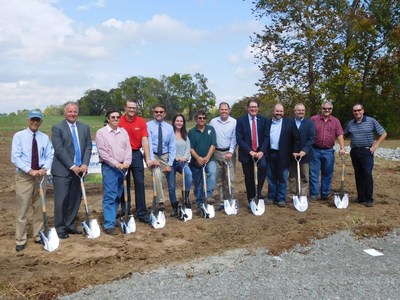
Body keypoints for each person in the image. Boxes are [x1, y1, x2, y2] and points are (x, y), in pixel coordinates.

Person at [11, 110, 53, 251]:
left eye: (38, 120)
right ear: (28, 120)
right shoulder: (19, 136)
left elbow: (49, 155)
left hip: (41, 176)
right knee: (22, 209)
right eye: (33, 119)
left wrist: (44, 168)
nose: (35, 122)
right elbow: (15, 157)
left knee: (39, 207)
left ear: (41, 121)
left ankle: (38, 235)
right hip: (24, 176)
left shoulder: (44, 138)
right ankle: (20, 239)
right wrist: (30, 170)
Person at [51, 102, 92, 239]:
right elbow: (59, 149)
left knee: (75, 199)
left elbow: (88, 147)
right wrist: (72, 166)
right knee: (61, 200)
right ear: (65, 113)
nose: (73, 114)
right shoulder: (57, 128)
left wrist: (85, 164)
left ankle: (70, 225)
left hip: (80, 171)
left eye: (75, 111)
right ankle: (60, 227)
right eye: (70, 112)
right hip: (63, 171)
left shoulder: (84, 127)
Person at [95, 109, 131, 235]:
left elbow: (128, 149)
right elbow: (103, 153)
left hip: (123, 167)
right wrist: (116, 164)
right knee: (110, 195)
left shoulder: (123, 132)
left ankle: (112, 218)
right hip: (110, 168)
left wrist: (126, 162)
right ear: (108, 119)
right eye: (113, 117)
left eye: (117, 117)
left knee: (118, 195)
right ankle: (108, 224)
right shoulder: (101, 133)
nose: (116, 119)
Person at [344, 103, 387, 207]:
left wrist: (375, 146)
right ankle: (361, 197)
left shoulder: (371, 121)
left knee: (367, 173)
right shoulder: (351, 123)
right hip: (354, 152)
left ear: (363, 110)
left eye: (359, 110)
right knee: (358, 174)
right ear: (353, 112)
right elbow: (343, 134)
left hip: (367, 151)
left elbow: (383, 133)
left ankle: (369, 199)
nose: (357, 112)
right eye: (355, 111)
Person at [118, 100, 151, 223]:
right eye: (129, 107)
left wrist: (147, 158)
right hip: (122, 155)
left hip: (136, 154)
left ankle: (142, 213)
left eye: (134, 108)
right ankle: (126, 210)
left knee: (140, 184)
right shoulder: (119, 120)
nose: (132, 110)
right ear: (125, 108)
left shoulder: (141, 122)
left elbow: (145, 140)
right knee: (124, 184)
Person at [309, 100, 346, 200]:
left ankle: (325, 193)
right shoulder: (313, 119)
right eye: (325, 108)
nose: (327, 110)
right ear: (321, 109)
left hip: (328, 151)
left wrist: (342, 148)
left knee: (327, 173)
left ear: (332, 110)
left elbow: (340, 134)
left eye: (329, 109)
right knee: (313, 173)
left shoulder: (335, 121)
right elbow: (307, 132)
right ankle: (314, 194)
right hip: (314, 150)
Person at [266, 103, 300, 207]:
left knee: (282, 178)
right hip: (270, 153)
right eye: (277, 111)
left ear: (283, 112)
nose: (279, 113)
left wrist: (295, 150)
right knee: (271, 177)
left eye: (281, 111)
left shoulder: (289, 123)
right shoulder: (267, 123)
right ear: (273, 111)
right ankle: (271, 197)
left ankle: (281, 198)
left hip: (284, 155)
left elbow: (297, 138)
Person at [236, 99, 268, 206]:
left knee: (263, 167)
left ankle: (258, 192)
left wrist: (262, 151)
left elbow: (267, 137)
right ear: (248, 108)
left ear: (258, 108)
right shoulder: (241, 121)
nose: (253, 109)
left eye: (255, 107)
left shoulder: (264, 120)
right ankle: (251, 198)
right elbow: (239, 138)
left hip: (260, 152)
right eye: (251, 107)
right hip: (247, 153)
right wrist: (250, 151)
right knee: (249, 176)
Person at [147, 104, 176, 216]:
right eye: (156, 112)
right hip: (153, 155)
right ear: (153, 113)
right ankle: (161, 201)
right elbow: (148, 143)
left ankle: (155, 211)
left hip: (165, 156)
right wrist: (152, 159)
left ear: (164, 113)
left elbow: (172, 146)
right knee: (157, 174)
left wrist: (170, 163)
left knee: (159, 182)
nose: (158, 114)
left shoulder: (169, 128)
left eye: (161, 112)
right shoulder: (148, 126)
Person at [210, 102, 237, 211]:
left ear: (229, 110)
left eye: (226, 109)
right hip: (217, 153)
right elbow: (211, 136)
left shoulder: (234, 122)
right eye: (222, 109)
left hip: (229, 153)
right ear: (219, 110)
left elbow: (234, 138)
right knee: (220, 180)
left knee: (230, 179)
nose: (224, 111)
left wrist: (230, 152)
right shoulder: (213, 122)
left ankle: (230, 200)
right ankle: (222, 202)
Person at [188, 110, 217, 210]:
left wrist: (207, 158)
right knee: (198, 183)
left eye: (204, 118)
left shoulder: (211, 129)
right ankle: (200, 201)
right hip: (196, 161)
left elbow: (213, 144)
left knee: (212, 173)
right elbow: (190, 148)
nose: (202, 120)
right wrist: (198, 158)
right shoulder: (191, 132)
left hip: (210, 159)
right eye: (200, 118)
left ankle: (209, 196)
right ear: (196, 119)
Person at [167, 114, 193, 216]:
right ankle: (174, 206)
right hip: (171, 162)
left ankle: (185, 198)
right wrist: (174, 157)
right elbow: (167, 148)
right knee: (171, 186)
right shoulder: (170, 134)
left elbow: (188, 148)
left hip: (182, 162)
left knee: (189, 174)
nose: (179, 123)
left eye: (181, 121)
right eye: (177, 121)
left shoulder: (185, 135)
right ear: (174, 122)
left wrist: (185, 157)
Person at [288, 103, 315, 197]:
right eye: (299, 110)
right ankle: (293, 195)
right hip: (292, 155)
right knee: (292, 177)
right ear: (295, 111)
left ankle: (303, 195)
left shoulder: (310, 123)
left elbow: (311, 139)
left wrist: (304, 151)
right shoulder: (289, 122)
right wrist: (292, 151)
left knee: (304, 176)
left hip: (305, 155)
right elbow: (287, 138)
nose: (301, 112)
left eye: (303, 110)